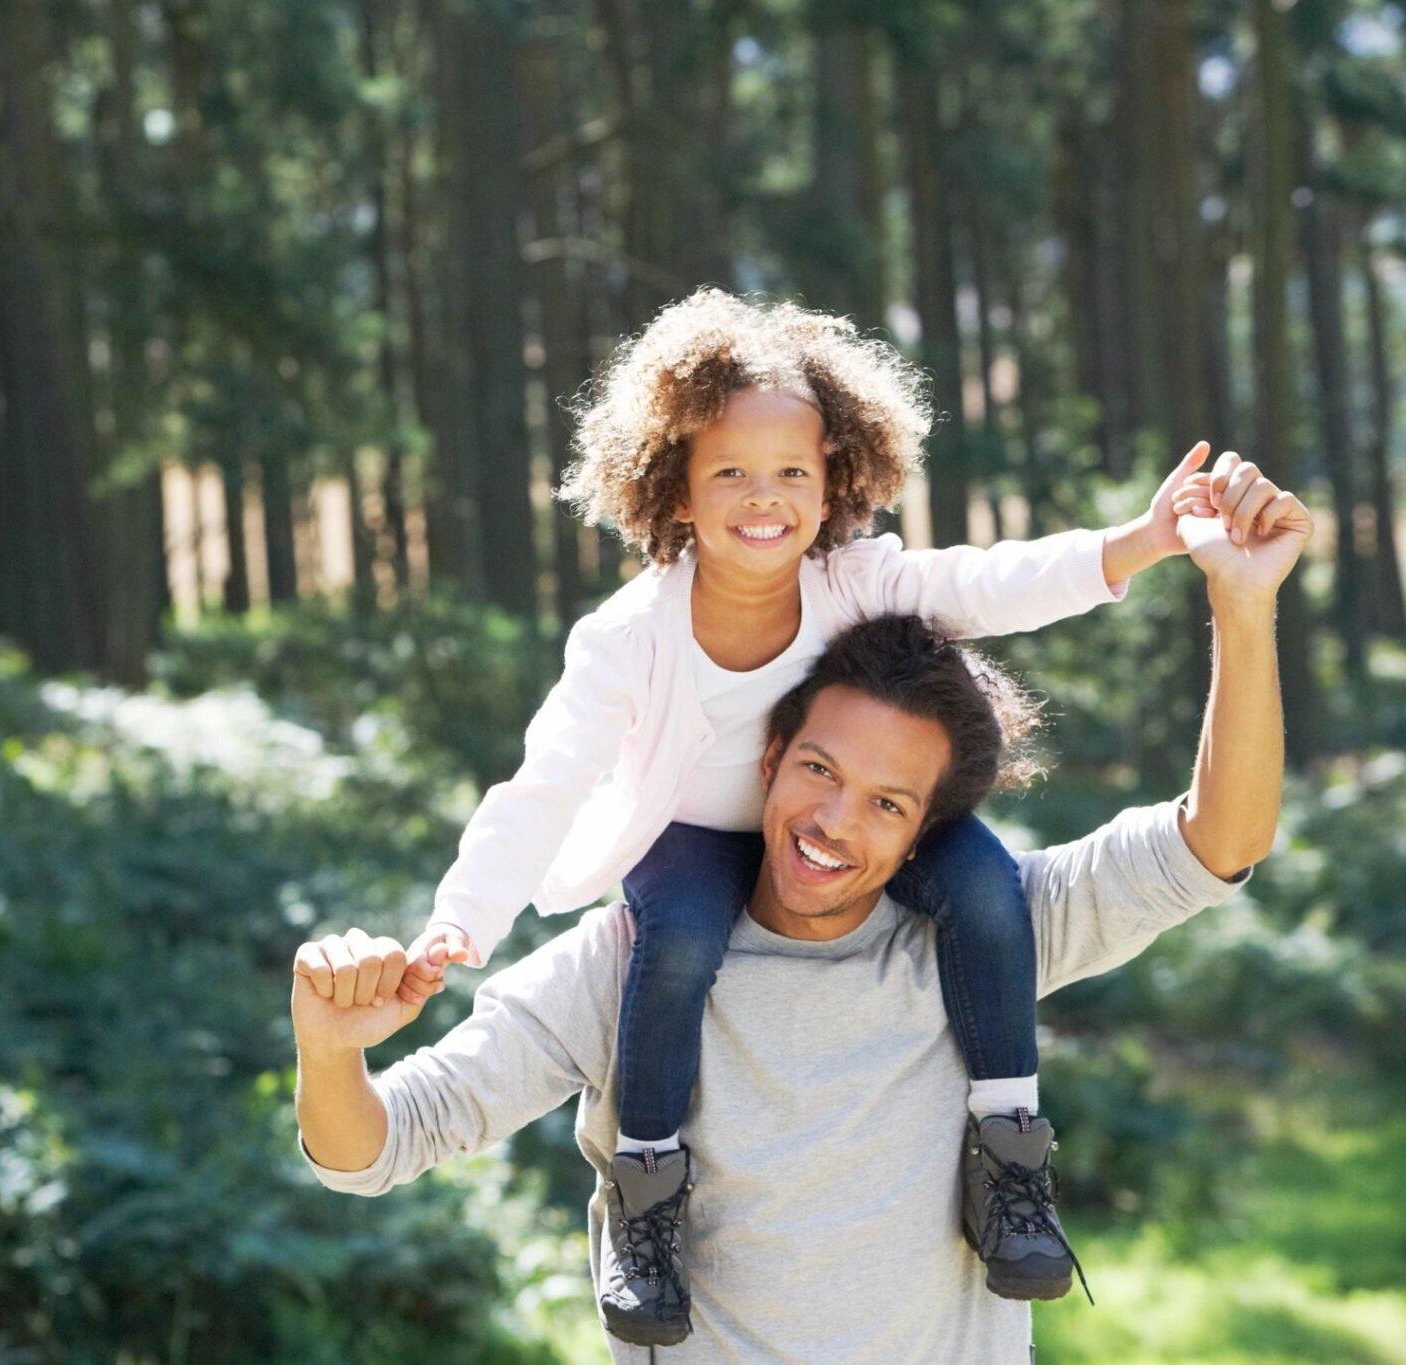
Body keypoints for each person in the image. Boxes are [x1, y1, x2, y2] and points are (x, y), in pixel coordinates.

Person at [337, 288, 1214, 1339]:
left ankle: (1006, 1148)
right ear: (672, 489)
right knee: (673, 953)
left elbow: (990, 584)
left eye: (792, 471)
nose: (765, 497)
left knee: (986, 891)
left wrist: (1137, 543)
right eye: (730, 473)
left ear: (835, 478)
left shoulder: (853, 581)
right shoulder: (626, 639)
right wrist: (460, 923)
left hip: (840, 816)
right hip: (694, 844)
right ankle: (649, 1199)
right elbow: (540, 788)